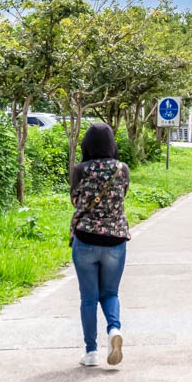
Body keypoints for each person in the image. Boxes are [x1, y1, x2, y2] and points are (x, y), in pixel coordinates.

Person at [70, 123, 130, 367]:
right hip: (116, 240)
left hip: (85, 239)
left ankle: (91, 352)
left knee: (88, 298)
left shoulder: (79, 169)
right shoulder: (122, 169)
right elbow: (123, 195)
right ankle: (114, 330)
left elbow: (74, 200)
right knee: (110, 293)